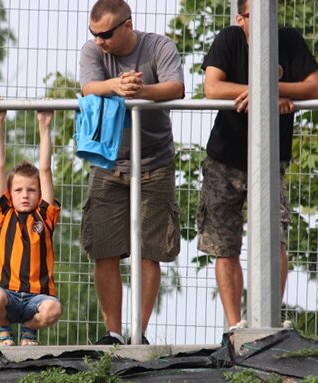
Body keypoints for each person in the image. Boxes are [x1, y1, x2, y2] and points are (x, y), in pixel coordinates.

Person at [198, 0, 318, 330]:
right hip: (224, 159)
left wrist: (266, 90)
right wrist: (261, 92)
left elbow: (314, 87)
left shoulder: (289, 39)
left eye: (269, 13)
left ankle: (268, 322)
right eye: (254, 16)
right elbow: (212, 87)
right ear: (240, 19)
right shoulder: (229, 39)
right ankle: (235, 326)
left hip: (270, 157)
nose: (264, 21)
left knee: (275, 236)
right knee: (224, 244)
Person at [79, 0, 185, 345]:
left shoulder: (159, 46)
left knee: (150, 251)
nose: (100, 41)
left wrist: (141, 91)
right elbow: (88, 87)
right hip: (107, 161)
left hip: (155, 162)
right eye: (94, 33)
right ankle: (113, 333)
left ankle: (138, 333)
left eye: (106, 34)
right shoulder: (93, 50)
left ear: (128, 25)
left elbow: (176, 87)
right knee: (104, 249)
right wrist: (116, 85)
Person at [0, 109, 63, 346]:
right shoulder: (4, 213)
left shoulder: (45, 216)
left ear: (39, 193)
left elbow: (45, 169)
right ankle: (4, 330)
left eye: (31, 190)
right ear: (10, 193)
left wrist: (44, 125)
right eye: (18, 190)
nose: (25, 195)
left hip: (37, 298)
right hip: (7, 294)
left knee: (54, 309)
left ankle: (30, 329)